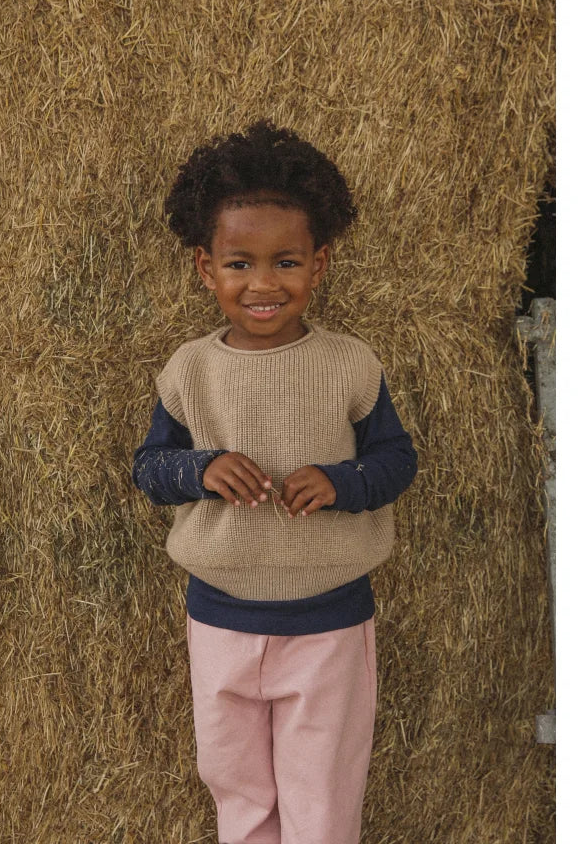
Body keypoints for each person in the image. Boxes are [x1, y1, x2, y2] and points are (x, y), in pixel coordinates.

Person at [132, 119, 418, 844]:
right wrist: (201, 469)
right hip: (219, 619)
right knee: (236, 786)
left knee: (321, 793)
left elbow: (395, 460)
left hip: (328, 623)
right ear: (207, 269)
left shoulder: (350, 364)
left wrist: (343, 482)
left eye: (285, 262)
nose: (263, 283)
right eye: (240, 264)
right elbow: (150, 469)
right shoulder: (190, 369)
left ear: (318, 266)